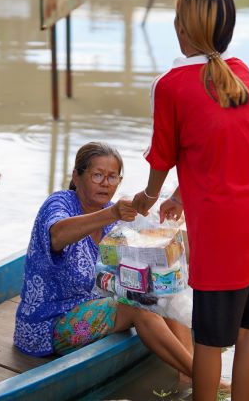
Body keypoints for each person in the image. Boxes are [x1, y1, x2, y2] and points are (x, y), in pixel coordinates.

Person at [132, 0, 249, 401]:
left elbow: (161, 159)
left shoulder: (170, 84)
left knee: (208, 338)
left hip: (225, 226)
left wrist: (147, 200)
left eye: (175, 17)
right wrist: (179, 198)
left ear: (183, 29)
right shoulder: (241, 74)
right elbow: (227, 150)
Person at [13, 141, 195, 383]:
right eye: (97, 175)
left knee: (160, 288)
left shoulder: (114, 215)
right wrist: (112, 214)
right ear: (76, 177)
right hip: (49, 324)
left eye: (112, 177)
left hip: (93, 307)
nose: (106, 183)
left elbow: (134, 265)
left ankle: (187, 373)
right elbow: (57, 236)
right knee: (137, 305)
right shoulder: (60, 204)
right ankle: (205, 378)